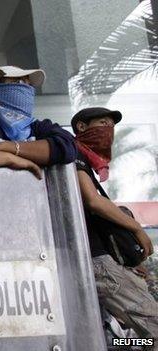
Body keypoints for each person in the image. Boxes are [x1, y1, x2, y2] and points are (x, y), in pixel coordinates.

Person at [71, 107, 158, 340]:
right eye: (102, 123)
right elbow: (93, 202)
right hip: (95, 259)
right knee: (154, 324)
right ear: (81, 127)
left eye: (112, 126)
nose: (109, 131)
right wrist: (136, 228)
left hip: (99, 258)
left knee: (119, 336)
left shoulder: (85, 162)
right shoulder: (72, 153)